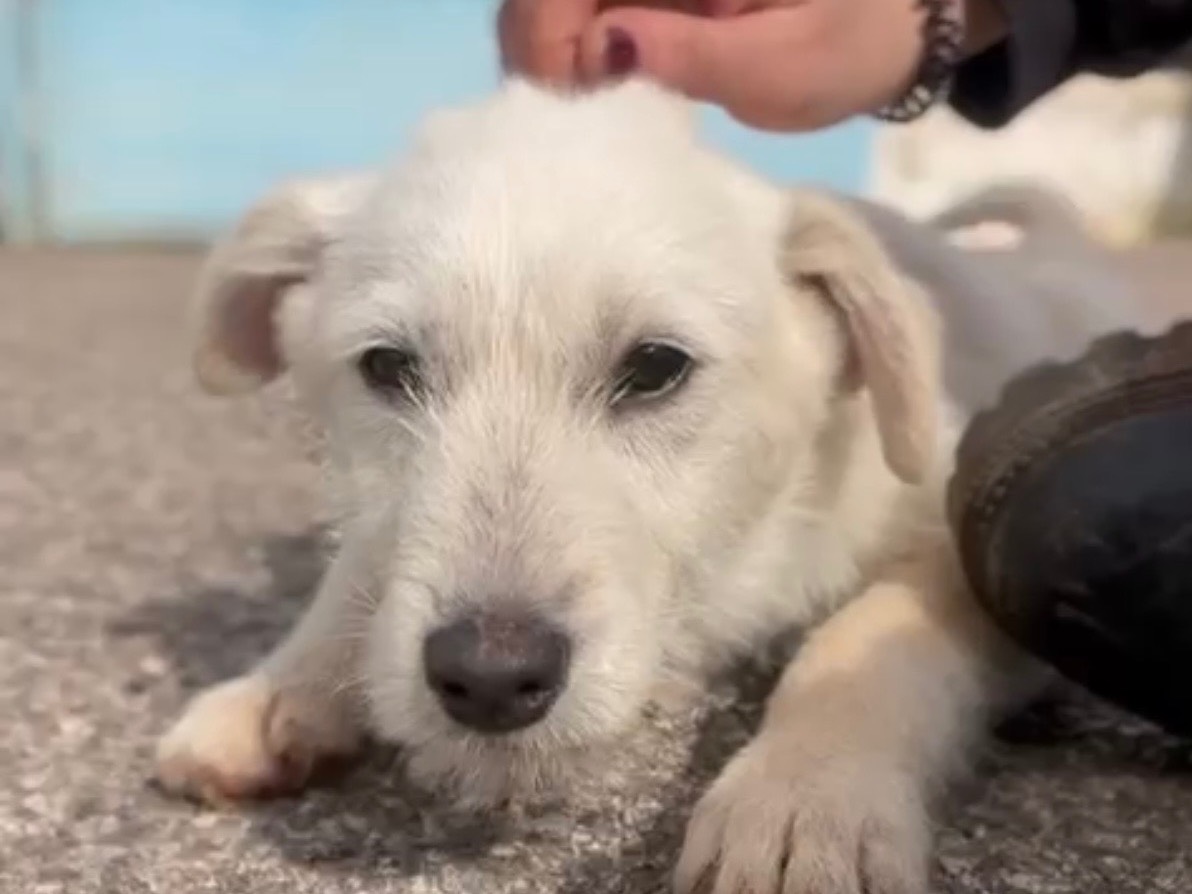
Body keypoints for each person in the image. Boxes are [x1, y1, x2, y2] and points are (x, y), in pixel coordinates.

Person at [499, 0, 1192, 735]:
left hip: (1054, 315)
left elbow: (940, 544)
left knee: (1063, 509)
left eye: (652, 369)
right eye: (396, 372)